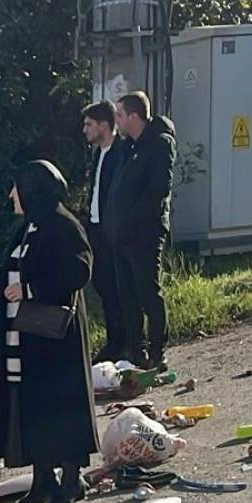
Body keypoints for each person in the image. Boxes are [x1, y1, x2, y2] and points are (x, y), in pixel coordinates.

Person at [0, 160, 99, 503]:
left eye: (15, 186)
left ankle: (70, 479)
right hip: (25, 337)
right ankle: (43, 479)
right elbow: (8, 281)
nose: (10, 195)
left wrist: (32, 290)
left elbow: (81, 269)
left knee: (59, 404)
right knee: (33, 405)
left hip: (54, 339)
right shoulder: (27, 228)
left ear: (32, 188)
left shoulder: (63, 224)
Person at [112, 91, 176, 370]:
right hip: (122, 233)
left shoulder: (159, 144)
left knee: (148, 291)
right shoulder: (129, 147)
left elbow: (157, 191)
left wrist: (131, 218)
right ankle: (134, 349)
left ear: (134, 117)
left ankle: (158, 349)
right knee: (127, 294)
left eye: (120, 115)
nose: (118, 120)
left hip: (146, 231)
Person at [81, 100, 130, 363]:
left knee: (120, 287)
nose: (85, 130)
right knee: (104, 286)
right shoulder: (97, 153)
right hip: (96, 228)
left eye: (89, 124)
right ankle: (114, 341)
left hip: (115, 230)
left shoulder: (121, 152)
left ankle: (126, 341)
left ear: (103, 125)